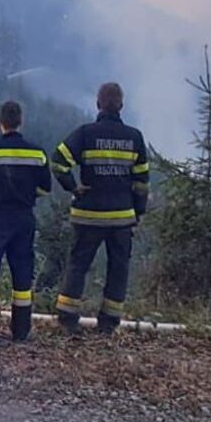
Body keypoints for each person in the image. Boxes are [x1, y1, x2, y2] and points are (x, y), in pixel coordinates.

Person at [51, 81, 151, 333]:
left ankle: (67, 320)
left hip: (88, 216)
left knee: (78, 265)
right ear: (121, 106)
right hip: (121, 218)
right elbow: (141, 182)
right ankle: (108, 324)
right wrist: (138, 212)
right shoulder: (134, 137)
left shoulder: (85, 134)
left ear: (98, 105)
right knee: (118, 270)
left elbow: (58, 162)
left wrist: (73, 187)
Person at [0, 99, 53, 343]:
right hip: (24, 218)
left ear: (0, 122)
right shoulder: (37, 153)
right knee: (23, 274)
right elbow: (45, 189)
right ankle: (21, 331)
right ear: (20, 121)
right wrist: (26, 195)